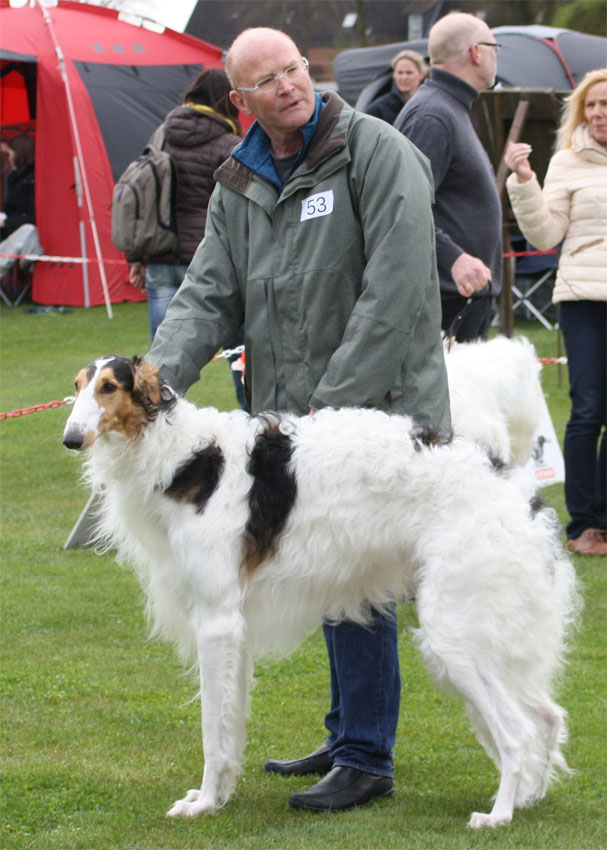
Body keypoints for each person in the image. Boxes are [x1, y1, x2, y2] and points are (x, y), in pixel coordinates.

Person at [147, 27, 450, 812]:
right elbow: (206, 295)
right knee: (329, 575)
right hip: (290, 422)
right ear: (240, 99)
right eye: (267, 79)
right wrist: (151, 384)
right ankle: (347, 731)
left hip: (374, 413)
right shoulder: (240, 178)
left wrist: (331, 411)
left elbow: (394, 291)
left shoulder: (376, 151)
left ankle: (364, 755)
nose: (288, 85)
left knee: (364, 577)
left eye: (293, 69)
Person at [504, 68, 607, 557]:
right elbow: (545, 235)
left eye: (606, 104)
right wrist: (525, 181)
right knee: (588, 409)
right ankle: (583, 524)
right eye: (591, 105)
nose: (598, 113)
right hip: (584, 298)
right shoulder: (567, 161)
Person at [394, 12, 502, 342]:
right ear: (476, 52)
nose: (496, 56)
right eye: (494, 48)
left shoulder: (448, 107)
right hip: (445, 298)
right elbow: (401, 207)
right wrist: (453, 258)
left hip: (461, 295)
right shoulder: (432, 115)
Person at [128, 69, 242, 340]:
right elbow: (239, 209)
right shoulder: (230, 145)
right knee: (239, 350)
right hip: (210, 256)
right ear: (229, 99)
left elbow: (145, 198)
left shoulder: (161, 137)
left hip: (160, 254)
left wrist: (137, 257)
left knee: (164, 352)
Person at [0, 134, 43, 280]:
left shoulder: (31, 180)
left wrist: (5, 222)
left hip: (19, 231)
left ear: (20, 155)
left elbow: (31, 217)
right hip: (10, 229)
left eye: (11, 155)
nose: (9, 159)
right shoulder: (16, 177)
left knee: (28, 230)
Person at [365, 49, 427, 124]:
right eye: (400, 73)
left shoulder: (427, 104)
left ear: (422, 74)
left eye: (409, 73)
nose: (404, 77)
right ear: (394, 75)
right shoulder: (377, 109)